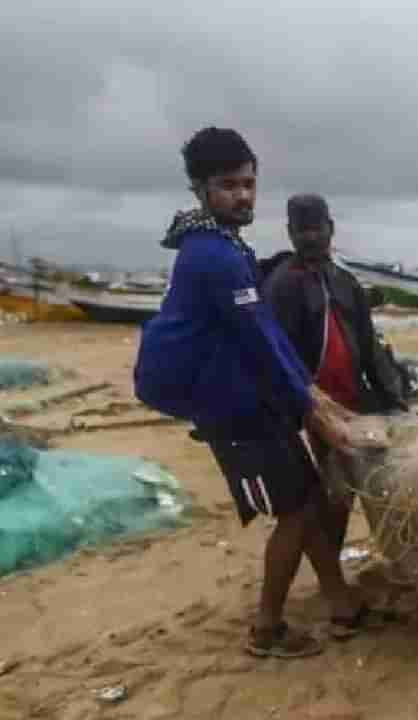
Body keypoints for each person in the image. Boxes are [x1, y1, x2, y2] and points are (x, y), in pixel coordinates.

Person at [134, 127, 385, 659]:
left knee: (309, 499)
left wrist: (314, 397)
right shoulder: (213, 256)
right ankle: (267, 630)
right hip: (233, 408)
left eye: (249, 183)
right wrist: (316, 408)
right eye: (229, 185)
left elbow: (266, 334)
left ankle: (340, 602)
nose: (243, 195)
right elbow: (261, 338)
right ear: (201, 189)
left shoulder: (227, 244)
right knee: (294, 513)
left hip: (254, 399)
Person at [263, 194, 411, 551]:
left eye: (317, 228)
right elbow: (274, 355)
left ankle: (379, 558)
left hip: (353, 402)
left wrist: (394, 400)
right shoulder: (282, 285)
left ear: (331, 228)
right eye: (302, 230)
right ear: (290, 233)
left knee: (373, 483)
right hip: (311, 409)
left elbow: (370, 347)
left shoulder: (346, 283)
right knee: (330, 494)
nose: (310, 236)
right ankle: (332, 576)